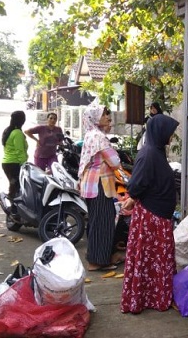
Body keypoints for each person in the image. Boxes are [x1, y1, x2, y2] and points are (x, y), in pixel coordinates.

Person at [120, 114, 180, 314]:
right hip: (151, 217)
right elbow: (137, 183)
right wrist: (132, 197)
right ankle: (143, 298)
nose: (171, 137)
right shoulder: (148, 154)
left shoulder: (156, 151)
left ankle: (154, 296)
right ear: (160, 132)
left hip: (158, 215)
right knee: (149, 258)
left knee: (155, 259)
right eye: (170, 133)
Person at [78, 104, 124, 271]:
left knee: (96, 221)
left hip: (90, 185)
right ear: (95, 117)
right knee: (103, 222)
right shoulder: (99, 137)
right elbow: (115, 162)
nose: (107, 117)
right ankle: (97, 261)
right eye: (104, 115)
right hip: (99, 185)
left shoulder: (90, 135)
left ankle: (95, 257)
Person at [2, 111, 28, 205]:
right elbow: (20, 151)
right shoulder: (17, 133)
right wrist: (24, 164)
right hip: (14, 163)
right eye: (23, 118)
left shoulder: (8, 130)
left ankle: (12, 209)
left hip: (7, 163)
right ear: (21, 120)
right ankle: (13, 210)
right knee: (17, 187)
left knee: (13, 185)